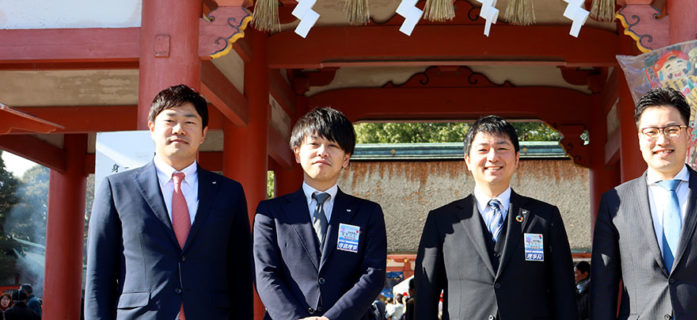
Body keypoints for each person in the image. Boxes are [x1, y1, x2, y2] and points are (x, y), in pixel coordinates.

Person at [84, 84, 254, 319]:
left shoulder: (229, 193)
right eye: (170, 120)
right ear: (152, 128)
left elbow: (240, 274)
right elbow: (98, 275)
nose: (179, 129)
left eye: (189, 122)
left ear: (203, 133)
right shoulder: (117, 189)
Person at [590, 87, 697, 319]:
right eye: (651, 131)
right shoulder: (615, 202)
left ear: (688, 134)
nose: (662, 140)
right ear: (639, 137)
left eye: (672, 129)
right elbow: (603, 286)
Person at [414, 115, 578, 320]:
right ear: (468, 160)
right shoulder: (442, 221)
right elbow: (425, 295)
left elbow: (563, 292)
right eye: (483, 149)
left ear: (517, 159)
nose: (492, 157)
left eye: (502, 148)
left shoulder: (545, 217)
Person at [254, 107, 387, 320]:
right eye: (314, 144)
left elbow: (373, 274)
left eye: (332, 145)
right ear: (297, 153)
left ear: (345, 158)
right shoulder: (271, 213)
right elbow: (265, 273)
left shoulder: (367, 213)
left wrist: (331, 319)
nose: (322, 152)